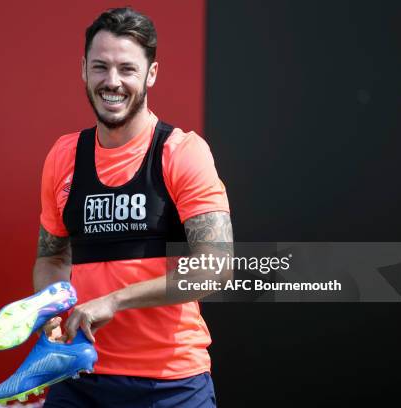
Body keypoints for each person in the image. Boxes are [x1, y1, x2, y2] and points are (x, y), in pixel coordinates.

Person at [35, 7, 232, 408]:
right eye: (100, 67)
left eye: (127, 69)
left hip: (171, 384)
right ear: (83, 70)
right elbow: (52, 259)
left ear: (151, 74)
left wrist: (114, 300)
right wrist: (51, 311)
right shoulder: (64, 155)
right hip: (78, 377)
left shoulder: (181, 152)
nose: (112, 82)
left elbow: (216, 267)